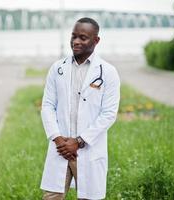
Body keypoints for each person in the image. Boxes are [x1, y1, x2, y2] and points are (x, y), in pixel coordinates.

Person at [40, 17, 120, 200]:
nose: (76, 41)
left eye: (83, 38)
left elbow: (108, 114)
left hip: (87, 148)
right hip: (60, 148)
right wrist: (59, 140)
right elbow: (47, 106)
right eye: (73, 36)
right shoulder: (57, 68)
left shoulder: (108, 72)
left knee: (88, 197)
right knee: (52, 196)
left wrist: (79, 141)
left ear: (96, 40)